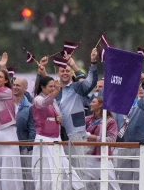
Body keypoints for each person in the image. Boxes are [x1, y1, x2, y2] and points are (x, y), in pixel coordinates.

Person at [38, 48, 99, 181]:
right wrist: (42, 72)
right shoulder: (54, 90)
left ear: (71, 73)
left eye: (67, 70)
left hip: (74, 134)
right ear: (58, 74)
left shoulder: (77, 87)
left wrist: (90, 62)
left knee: (77, 170)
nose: (65, 73)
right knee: (60, 170)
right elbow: (39, 95)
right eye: (62, 71)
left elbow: (90, 83)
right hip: (57, 135)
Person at [31, 75, 84, 190]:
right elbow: (43, 104)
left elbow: (57, 114)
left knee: (61, 165)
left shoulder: (53, 100)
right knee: (45, 168)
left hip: (56, 137)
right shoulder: (37, 99)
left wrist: (59, 119)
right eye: (50, 87)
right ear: (42, 87)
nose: (52, 89)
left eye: (53, 86)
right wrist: (55, 92)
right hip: (44, 138)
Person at [115, 69, 144, 190]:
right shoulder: (118, 104)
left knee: (141, 181)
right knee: (123, 181)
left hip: (140, 146)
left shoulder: (142, 103)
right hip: (123, 146)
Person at [85, 96, 122, 190]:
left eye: (93, 102)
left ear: (100, 105)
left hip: (103, 157)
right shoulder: (88, 120)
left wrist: (94, 138)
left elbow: (112, 140)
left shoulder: (110, 121)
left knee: (112, 186)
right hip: (89, 156)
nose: (90, 104)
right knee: (87, 185)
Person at [14, 77, 36, 190]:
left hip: (23, 146)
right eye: (14, 85)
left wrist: (29, 146)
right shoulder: (7, 104)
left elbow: (33, 128)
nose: (15, 87)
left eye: (18, 85)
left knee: (26, 174)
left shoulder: (30, 107)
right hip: (9, 145)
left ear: (25, 88)